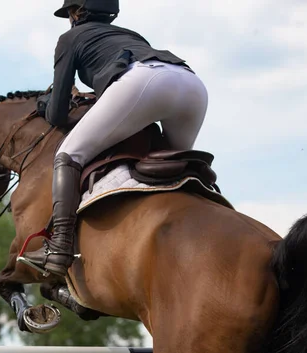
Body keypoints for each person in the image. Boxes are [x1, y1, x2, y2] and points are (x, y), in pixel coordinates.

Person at [18, 0, 209, 277]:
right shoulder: (130, 34)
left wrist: (45, 106)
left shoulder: (69, 38)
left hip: (144, 82)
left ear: (75, 12)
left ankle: (59, 246)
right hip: (191, 84)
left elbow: (58, 114)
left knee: (68, 155)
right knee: (178, 170)